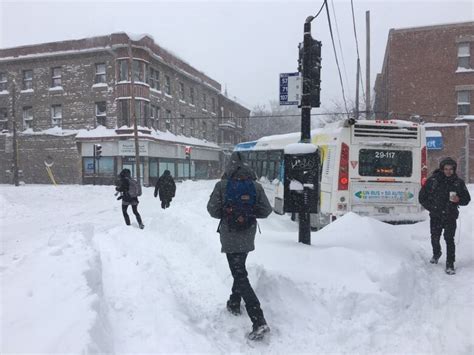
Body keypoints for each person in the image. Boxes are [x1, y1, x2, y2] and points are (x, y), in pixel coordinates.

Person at [207, 151, 273, 341]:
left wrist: (228, 214)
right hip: (247, 235)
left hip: (230, 235)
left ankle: (258, 320)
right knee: (239, 269)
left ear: (230, 165)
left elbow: (212, 210)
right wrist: (249, 214)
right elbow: (266, 211)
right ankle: (234, 302)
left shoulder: (222, 185)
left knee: (239, 273)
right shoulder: (255, 186)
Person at [418, 157, 470, 274]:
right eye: (446, 169)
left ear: (454, 169)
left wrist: (458, 199)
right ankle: (437, 253)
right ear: (442, 169)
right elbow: (422, 197)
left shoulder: (458, 182)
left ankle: (450, 264)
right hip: (436, 216)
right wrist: (432, 208)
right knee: (435, 237)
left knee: (449, 239)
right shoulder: (433, 181)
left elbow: (467, 199)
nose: (448, 171)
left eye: (451, 169)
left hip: (450, 216)